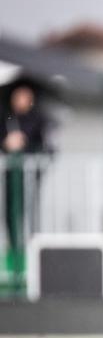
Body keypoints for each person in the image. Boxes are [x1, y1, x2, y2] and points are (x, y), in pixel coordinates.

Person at [2, 82, 49, 260]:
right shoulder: (6, 117)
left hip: (30, 174)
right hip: (11, 174)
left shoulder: (39, 119)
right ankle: (14, 246)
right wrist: (7, 144)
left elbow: (45, 146)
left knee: (30, 208)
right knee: (11, 211)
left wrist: (26, 143)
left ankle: (31, 245)